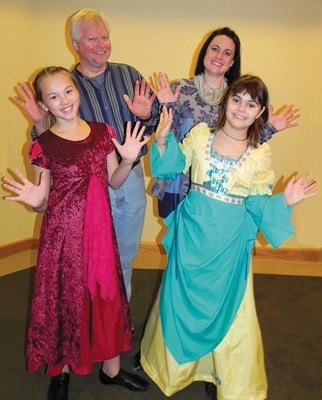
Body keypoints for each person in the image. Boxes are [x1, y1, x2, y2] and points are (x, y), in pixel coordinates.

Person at [139, 75, 317, 400]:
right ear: (226, 101)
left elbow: (258, 202)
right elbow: (172, 167)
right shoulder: (199, 135)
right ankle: (178, 369)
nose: (241, 108)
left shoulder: (260, 155)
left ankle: (220, 374)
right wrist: (162, 141)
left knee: (228, 310)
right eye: (237, 99)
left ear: (259, 112)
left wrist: (284, 201)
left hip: (229, 245)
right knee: (180, 301)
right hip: (192, 237)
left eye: (251, 104)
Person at [3, 66, 151, 400]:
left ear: (77, 90)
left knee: (107, 296)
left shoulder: (102, 132)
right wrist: (36, 201)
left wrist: (127, 161)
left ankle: (110, 370)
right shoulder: (44, 144)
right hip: (62, 238)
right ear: (44, 106)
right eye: (53, 97)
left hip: (100, 234)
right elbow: (42, 201)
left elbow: (113, 181)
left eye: (67, 91)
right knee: (63, 299)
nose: (64, 101)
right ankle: (60, 372)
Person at [13, 8, 159, 301]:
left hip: (126, 178)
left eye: (105, 37)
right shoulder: (65, 86)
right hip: (81, 192)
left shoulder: (129, 74)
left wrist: (146, 116)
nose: (101, 44)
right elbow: (49, 146)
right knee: (86, 265)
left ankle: (117, 327)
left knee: (124, 259)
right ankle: (87, 332)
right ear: (75, 44)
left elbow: (152, 121)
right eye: (92, 39)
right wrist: (39, 123)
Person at [151, 27, 300, 218]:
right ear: (204, 52)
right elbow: (161, 133)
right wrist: (163, 107)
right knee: (180, 238)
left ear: (232, 63)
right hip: (178, 180)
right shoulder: (179, 89)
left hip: (219, 187)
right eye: (215, 49)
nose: (219, 56)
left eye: (227, 53)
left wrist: (268, 128)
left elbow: (243, 146)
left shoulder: (239, 97)